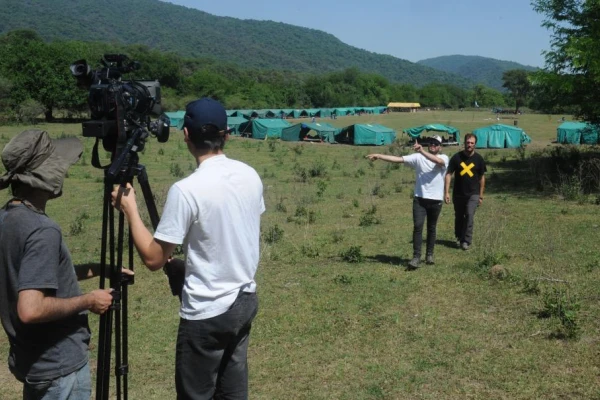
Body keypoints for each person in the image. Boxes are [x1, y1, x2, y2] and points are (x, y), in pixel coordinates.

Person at [111, 97, 265, 399]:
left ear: (185, 135)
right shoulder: (249, 173)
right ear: (227, 134)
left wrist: (130, 209)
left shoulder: (187, 189)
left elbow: (154, 258)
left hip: (207, 312)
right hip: (244, 299)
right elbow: (233, 228)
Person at [0, 129, 115, 400]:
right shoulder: (42, 230)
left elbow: (33, 277)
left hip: (32, 359)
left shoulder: (8, 218)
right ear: (44, 175)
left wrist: (99, 269)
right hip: (58, 367)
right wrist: (88, 300)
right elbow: (31, 308)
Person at [366, 135, 449, 269]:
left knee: (431, 228)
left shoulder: (444, 158)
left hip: (435, 200)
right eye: (431, 143)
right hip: (420, 199)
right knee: (418, 226)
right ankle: (416, 257)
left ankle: (429, 255)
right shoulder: (417, 158)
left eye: (436, 143)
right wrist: (380, 155)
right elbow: (398, 159)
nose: (433, 145)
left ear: (440, 147)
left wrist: (421, 151)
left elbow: (438, 161)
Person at [444, 133, 487, 251]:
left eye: (472, 143)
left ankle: (466, 241)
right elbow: (448, 174)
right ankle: (459, 235)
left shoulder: (478, 159)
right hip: (458, 193)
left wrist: (481, 195)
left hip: (473, 193)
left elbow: (482, 177)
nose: (469, 145)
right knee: (459, 217)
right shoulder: (456, 158)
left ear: (475, 144)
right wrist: (446, 192)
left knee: (469, 215)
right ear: (464, 143)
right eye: (468, 143)